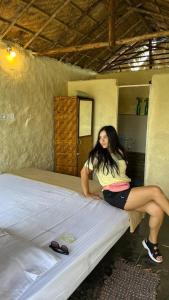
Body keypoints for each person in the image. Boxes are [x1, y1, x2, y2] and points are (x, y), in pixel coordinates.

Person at [81, 125, 169, 264]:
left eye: (105, 137)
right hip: (114, 195)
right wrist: (87, 193)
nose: (102, 140)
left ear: (112, 137)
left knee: (157, 210)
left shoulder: (119, 151)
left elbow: (121, 175)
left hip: (126, 190)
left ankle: (151, 243)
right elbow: (84, 172)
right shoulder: (97, 155)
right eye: (100, 138)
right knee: (155, 191)